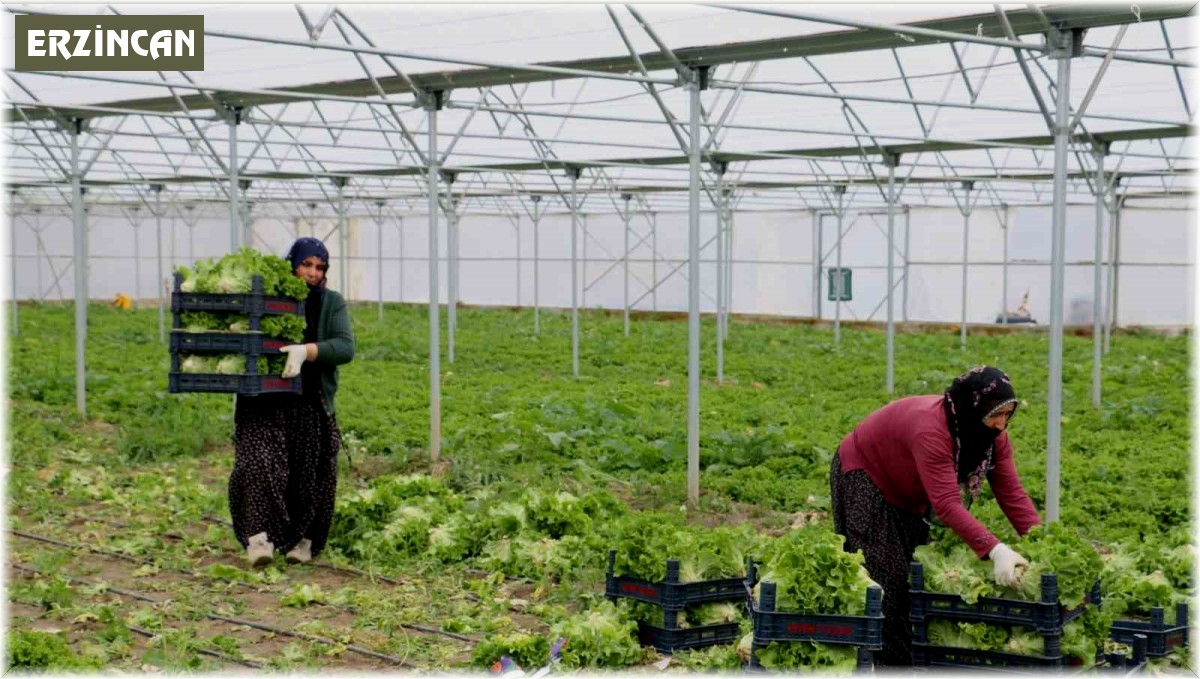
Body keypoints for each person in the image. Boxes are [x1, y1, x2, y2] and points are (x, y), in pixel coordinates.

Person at [829, 365, 1041, 666]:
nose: (1001, 424)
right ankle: (890, 668)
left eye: (1008, 414)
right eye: (996, 414)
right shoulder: (932, 429)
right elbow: (946, 503)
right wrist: (995, 549)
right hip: (866, 474)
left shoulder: (992, 440)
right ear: (973, 407)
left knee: (912, 580)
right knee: (886, 584)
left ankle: (902, 661)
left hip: (909, 493)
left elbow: (1012, 494)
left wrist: (1040, 541)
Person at [229, 237, 356, 567]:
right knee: (257, 462)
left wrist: (308, 351)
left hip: (309, 401)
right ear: (292, 264)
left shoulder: (332, 302)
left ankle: (304, 541)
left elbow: (345, 347)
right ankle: (259, 539)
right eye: (306, 265)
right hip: (263, 399)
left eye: (320, 267)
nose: (313, 273)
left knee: (311, 472)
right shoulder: (265, 298)